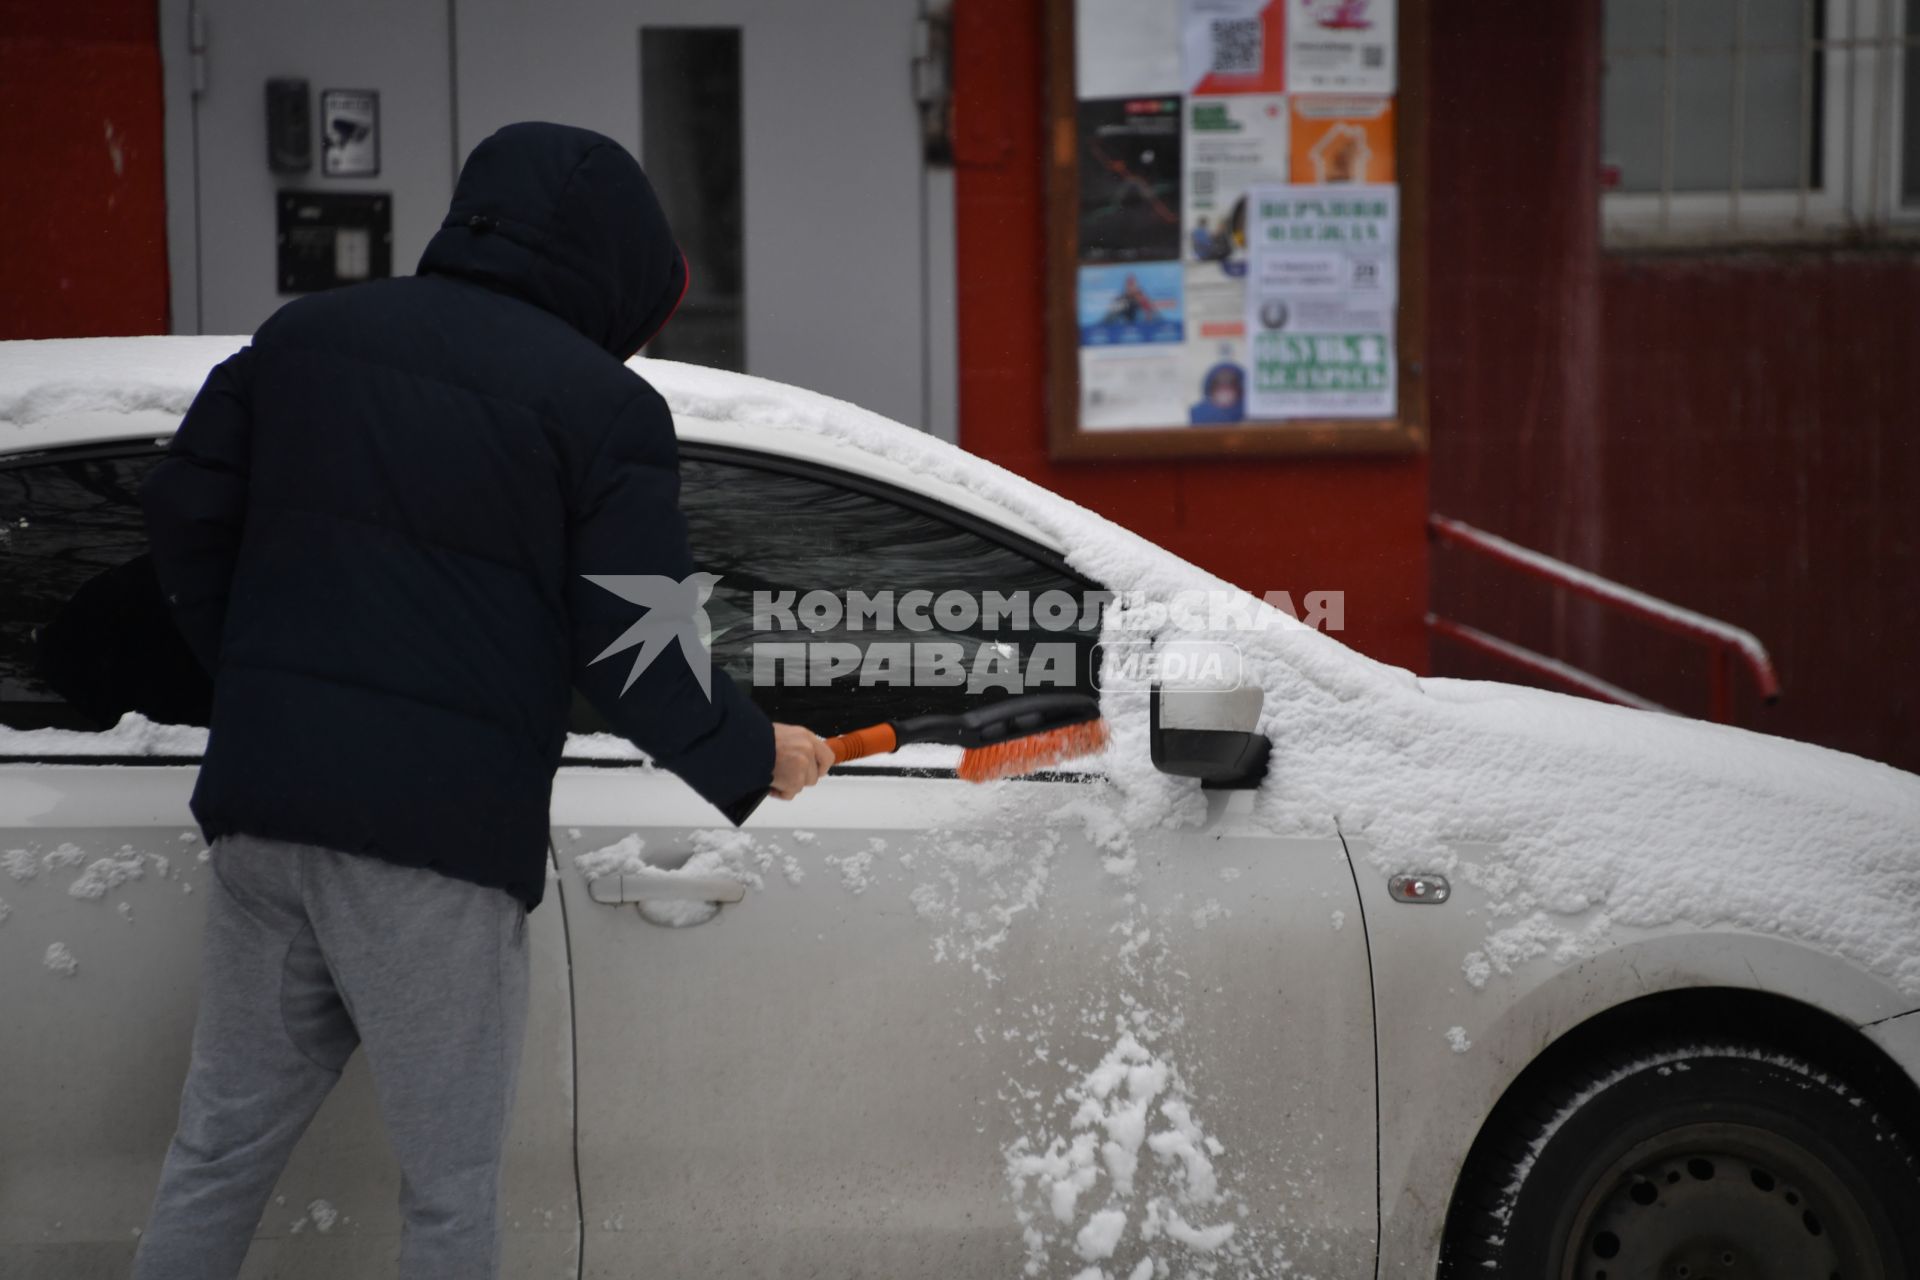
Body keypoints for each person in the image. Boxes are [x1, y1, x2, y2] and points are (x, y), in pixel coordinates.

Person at [130, 121, 834, 1280]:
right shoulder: (601, 409)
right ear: (616, 270)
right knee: (448, 1192)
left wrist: (262, 678)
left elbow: (183, 514)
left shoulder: (302, 339)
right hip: (433, 850)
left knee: (215, 1149)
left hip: (266, 813)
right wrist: (752, 752)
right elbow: (636, 635)